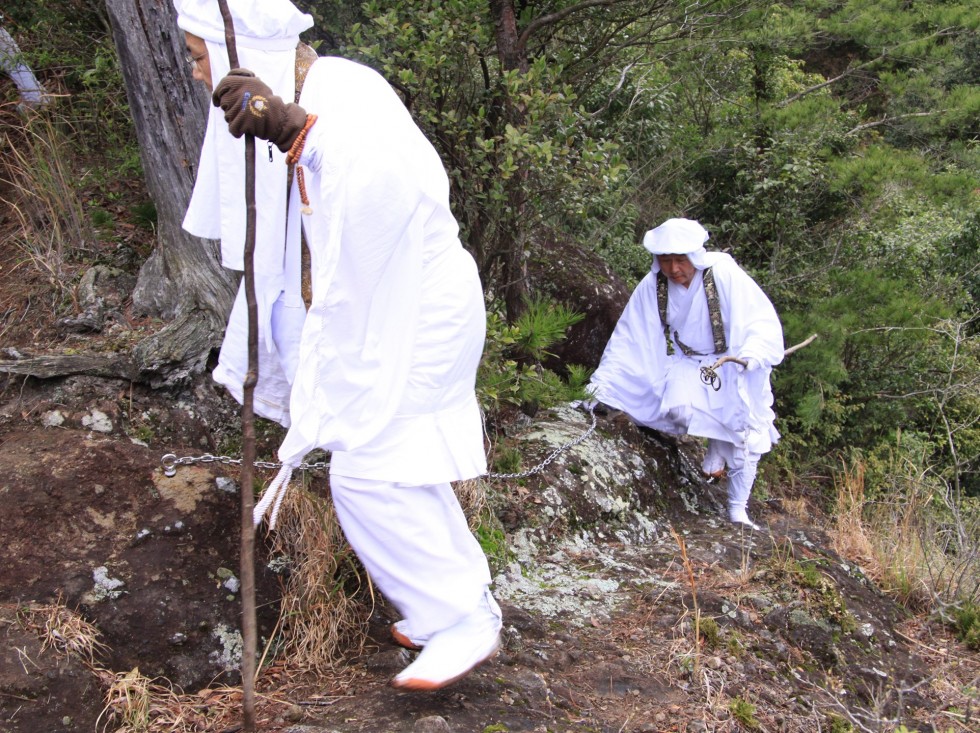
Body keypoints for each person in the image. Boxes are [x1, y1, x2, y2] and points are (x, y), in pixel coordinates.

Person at [172, 0, 501, 691]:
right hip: (396, 310)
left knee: (368, 472)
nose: (199, 74)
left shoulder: (345, 91)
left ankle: (462, 618)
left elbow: (389, 188)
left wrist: (298, 130)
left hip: (420, 309)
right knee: (398, 464)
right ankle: (452, 602)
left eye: (202, 57)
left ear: (247, 54)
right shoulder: (309, 102)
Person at [586, 218, 784, 530]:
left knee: (747, 430)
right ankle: (716, 446)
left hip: (733, 360)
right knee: (676, 410)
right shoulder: (654, 285)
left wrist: (752, 354)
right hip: (688, 362)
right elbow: (630, 336)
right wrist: (600, 388)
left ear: (695, 256)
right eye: (666, 261)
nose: (674, 269)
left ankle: (737, 510)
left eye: (680, 260)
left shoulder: (723, 273)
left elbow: (759, 318)